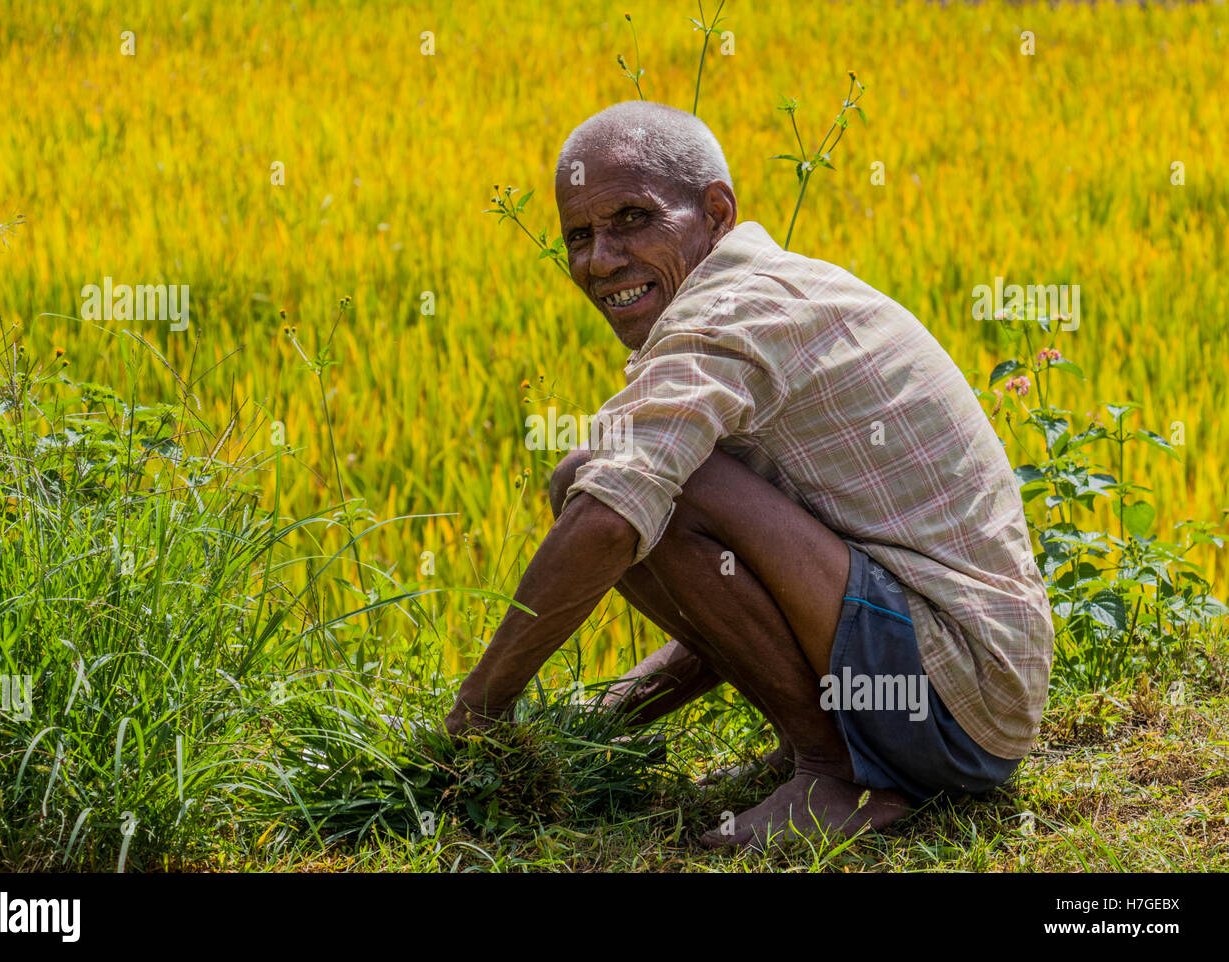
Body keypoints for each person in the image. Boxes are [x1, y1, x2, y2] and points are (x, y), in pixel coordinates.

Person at [444, 100, 1054, 850]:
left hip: (956, 701)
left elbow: (612, 518)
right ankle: (833, 751)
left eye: (633, 218)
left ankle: (840, 774)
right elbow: (736, 584)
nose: (601, 260)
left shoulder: (726, 317)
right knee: (609, 472)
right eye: (580, 236)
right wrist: (604, 719)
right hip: (967, 702)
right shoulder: (761, 290)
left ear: (715, 212)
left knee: (632, 485)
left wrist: (471, 718)